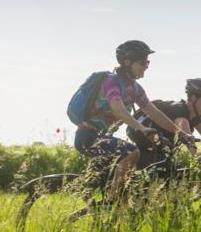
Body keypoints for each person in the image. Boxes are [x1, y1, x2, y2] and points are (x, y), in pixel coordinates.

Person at [73, 40, 194, 203]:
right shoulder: (111, 82)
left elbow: (155, 113)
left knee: (125, 190)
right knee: (133, 152)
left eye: (147, 62)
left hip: (102, 137)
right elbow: (119, 110)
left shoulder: (135, 88)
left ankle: (113, 209)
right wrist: (143, 129)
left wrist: (182, 134)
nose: (146, 66)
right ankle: (112, 202)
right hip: (87, 137)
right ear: (127, 62)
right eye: (142, 62)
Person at [127, 78, 201, 169]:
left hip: (162, 155)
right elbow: (186, 136)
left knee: (179, 174)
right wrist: (198, 156)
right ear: (193, 98)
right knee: (176, 176)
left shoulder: (195, 116)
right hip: (146, 153)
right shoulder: (179, 110)